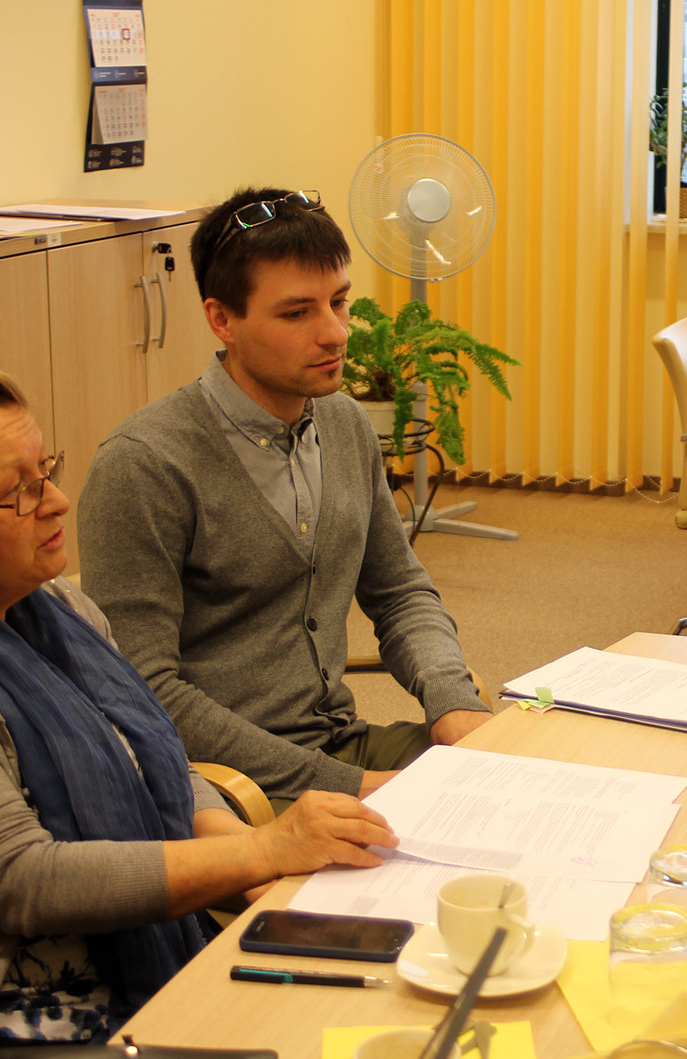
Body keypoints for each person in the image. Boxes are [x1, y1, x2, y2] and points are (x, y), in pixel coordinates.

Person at [0, 365, 397, 1052]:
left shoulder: (58, 606)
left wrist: (249, 855)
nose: (57, 501)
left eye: (46, 470)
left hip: (148, 951)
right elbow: (19, 880)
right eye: (15, 494)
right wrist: (258, 851)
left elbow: (158, 759)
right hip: (29, 1010)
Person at [78, 188, 491, 809]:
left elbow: (400, 592)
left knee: (531, 780)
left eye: (339, 302)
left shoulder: (345, 423)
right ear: (223, 320)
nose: (335, 333)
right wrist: (354, 788)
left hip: (340, 748)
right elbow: (144, 689)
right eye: (297, 313)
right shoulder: (145, 464)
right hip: (226, 787)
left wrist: (452, 701)